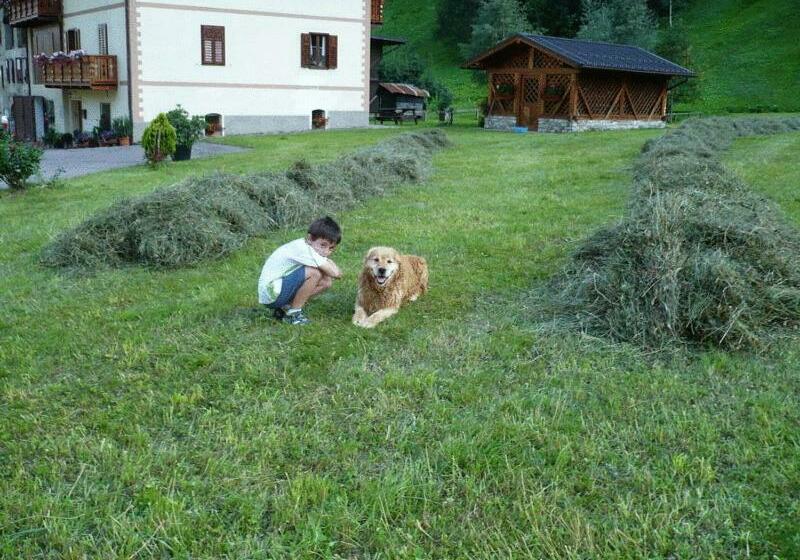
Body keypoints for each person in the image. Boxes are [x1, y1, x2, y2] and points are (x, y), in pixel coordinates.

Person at [257, 216, 342, 325]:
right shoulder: (303, 249)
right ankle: (293, 315)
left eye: (331, 248)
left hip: (276, 290)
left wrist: (330, 264)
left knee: (326, 282)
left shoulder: (311, 249)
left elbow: (333, 274)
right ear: (310, 238)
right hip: (270, 292)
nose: (325, 251)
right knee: (314, 273)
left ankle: (285, 309)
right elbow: (335, 273)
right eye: (323, 245)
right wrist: (331, 265)